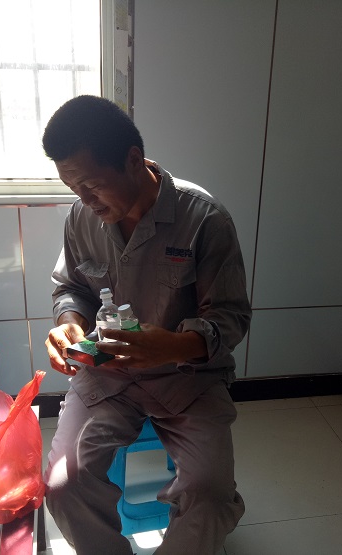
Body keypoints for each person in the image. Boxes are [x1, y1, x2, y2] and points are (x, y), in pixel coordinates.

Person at [41, 95, 251, 555]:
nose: (84, 200)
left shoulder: (205, 220)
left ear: (133, 160)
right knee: (62, 483)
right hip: (107, 375)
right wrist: (69, 323)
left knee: (210, 497)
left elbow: (231, 317)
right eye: (73, 187)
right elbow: (70, 287)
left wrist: (173, 346)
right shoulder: (82, 218)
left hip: (187, 379)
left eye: (92, 185)